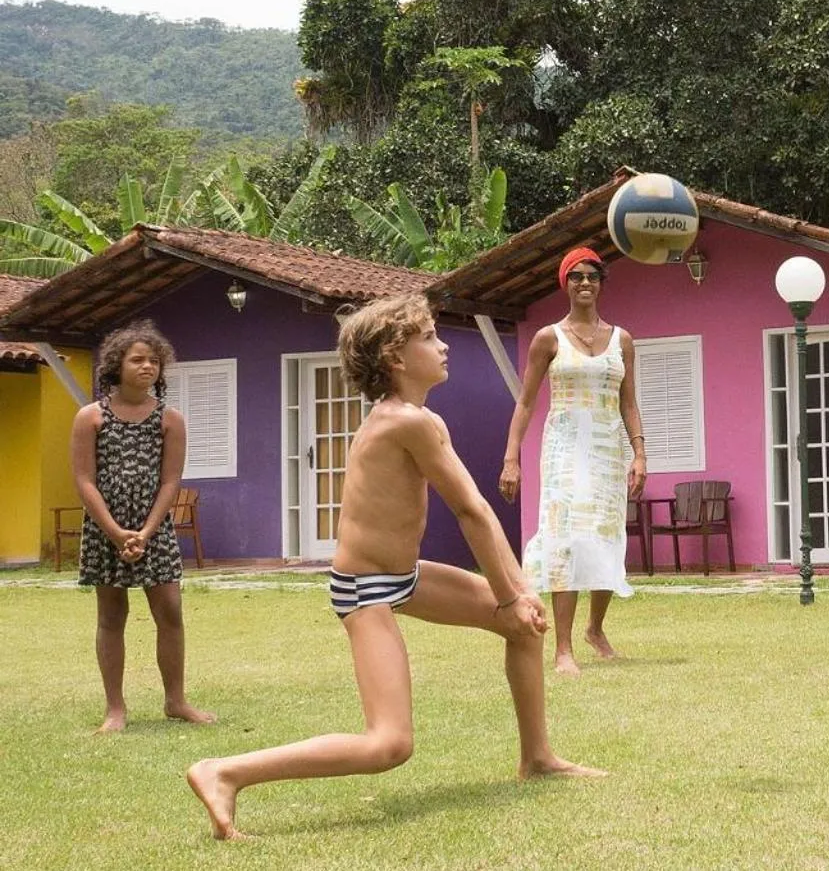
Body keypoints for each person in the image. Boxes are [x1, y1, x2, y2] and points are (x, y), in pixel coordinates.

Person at [187, 295, 602, 840]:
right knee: (389, 744)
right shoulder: (404, 422)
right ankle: (224, 772)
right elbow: (472, 512)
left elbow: (477, 511)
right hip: (365, 591)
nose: (444, 343)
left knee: (520, 627)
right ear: (396, 358)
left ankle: (539, 756)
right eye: (429, 337)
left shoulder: (422, 417)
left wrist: (519, 596)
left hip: (402, 576)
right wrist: (507, 597)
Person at [500, 247, 646, 674]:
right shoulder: (549, 338)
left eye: (593, 276)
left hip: (606, 448)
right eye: (576, 276)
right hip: (564, 448)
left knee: (604, 534)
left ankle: (594, 629)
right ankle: (563, 648)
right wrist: (512, 459)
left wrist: (640, 452)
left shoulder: (623, 340)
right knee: (565, 538)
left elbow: (629, 403)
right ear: (565, 283)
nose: (585, 283)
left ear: (601, 284)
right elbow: (525, 403)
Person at [70, 321, 215, 733]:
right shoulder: (90, 417)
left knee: (169, 611)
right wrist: (116, 532)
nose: (147, 366)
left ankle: (176, 701)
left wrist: (147, 531)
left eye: (153, 360)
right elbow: (84, 479)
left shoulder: (170, 420)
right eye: (137, 360)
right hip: (104, 529)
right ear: (116, 365)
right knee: (111, 614)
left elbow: (171, 480)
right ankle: (115, 709)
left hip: (155, 528)